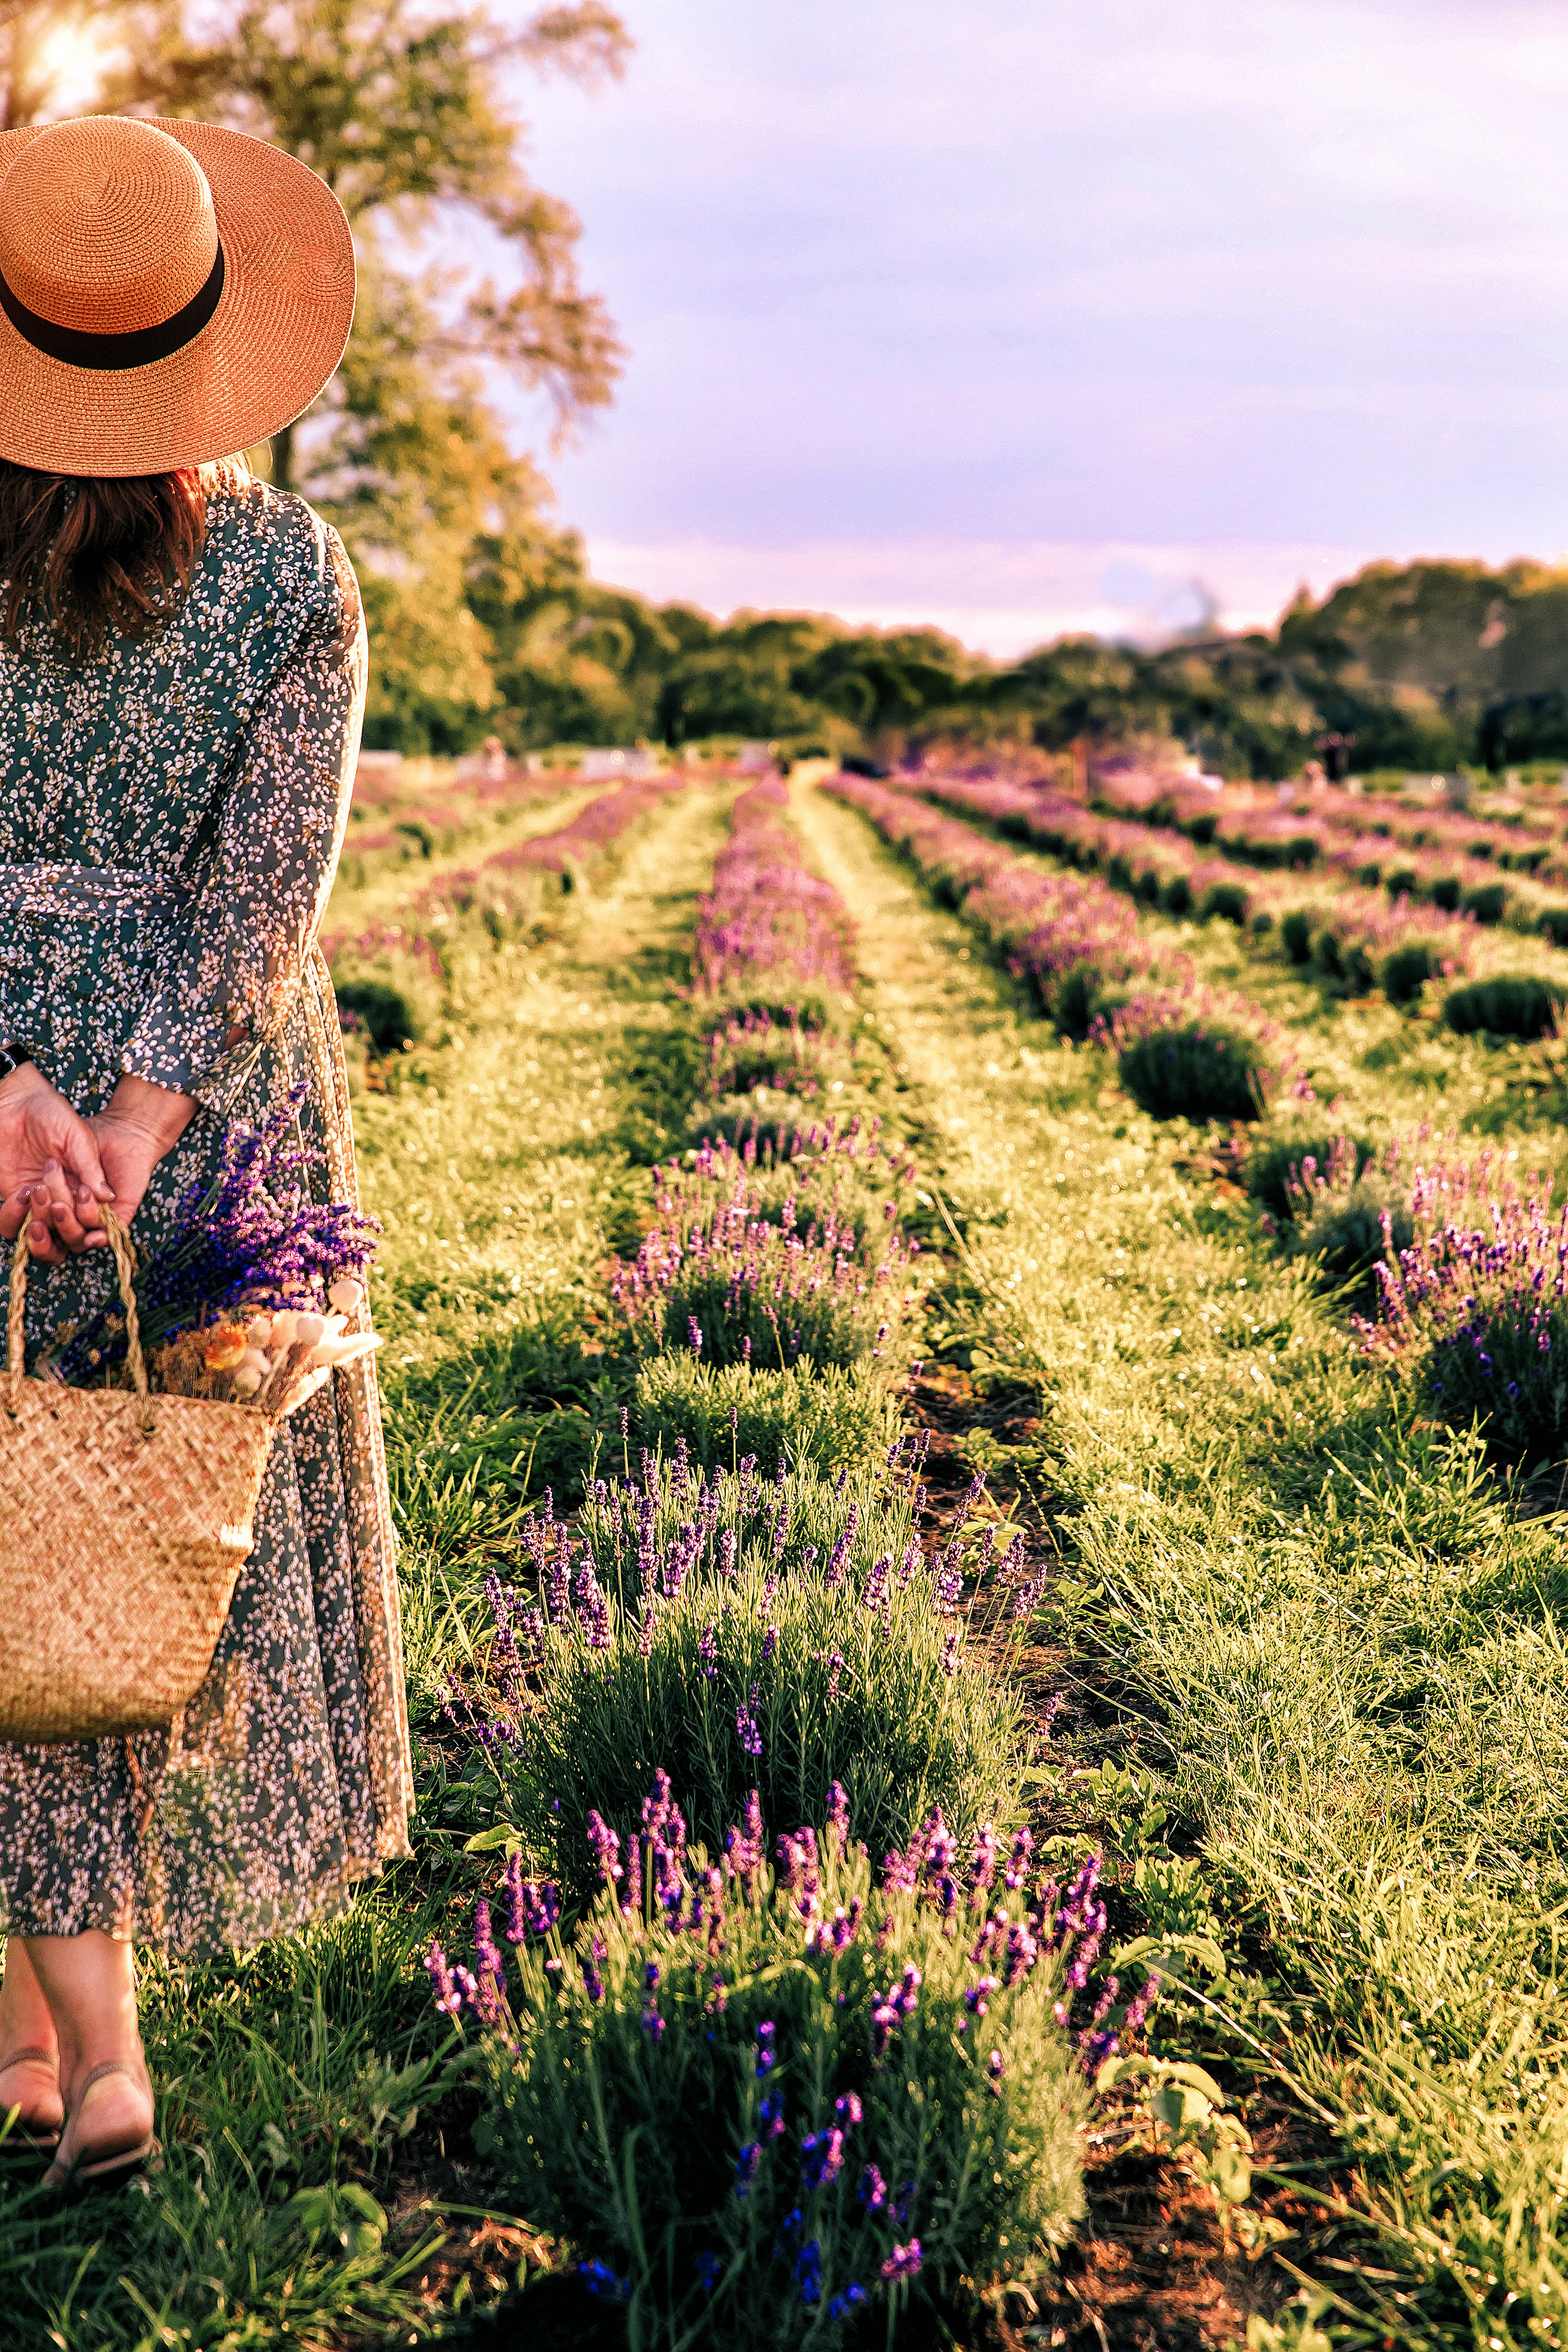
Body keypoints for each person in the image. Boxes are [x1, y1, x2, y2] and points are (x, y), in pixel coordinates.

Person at [0, 113, 413, 2185]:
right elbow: (269, 892)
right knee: (117, 1529)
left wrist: (15, 1091)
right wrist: (138, 1125)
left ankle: (81, 2056)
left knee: (11, 1527)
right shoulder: (288, 574)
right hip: (210, 1094)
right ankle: (76, 2058)